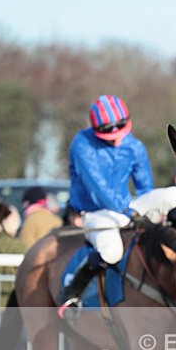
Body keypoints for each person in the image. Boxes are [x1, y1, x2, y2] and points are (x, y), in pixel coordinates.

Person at [59, 94, 154, 314]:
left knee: (169, 196)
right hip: (91, 212)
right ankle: (73, 288)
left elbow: (146, 188)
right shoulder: (81, 144)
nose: (116, 137)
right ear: (96, 129)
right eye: (109, 133)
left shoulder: (135, 146)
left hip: (124, 210)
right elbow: (98, 189)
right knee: (112, 252)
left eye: (120, 128)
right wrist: (128, 211)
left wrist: (155, 213)